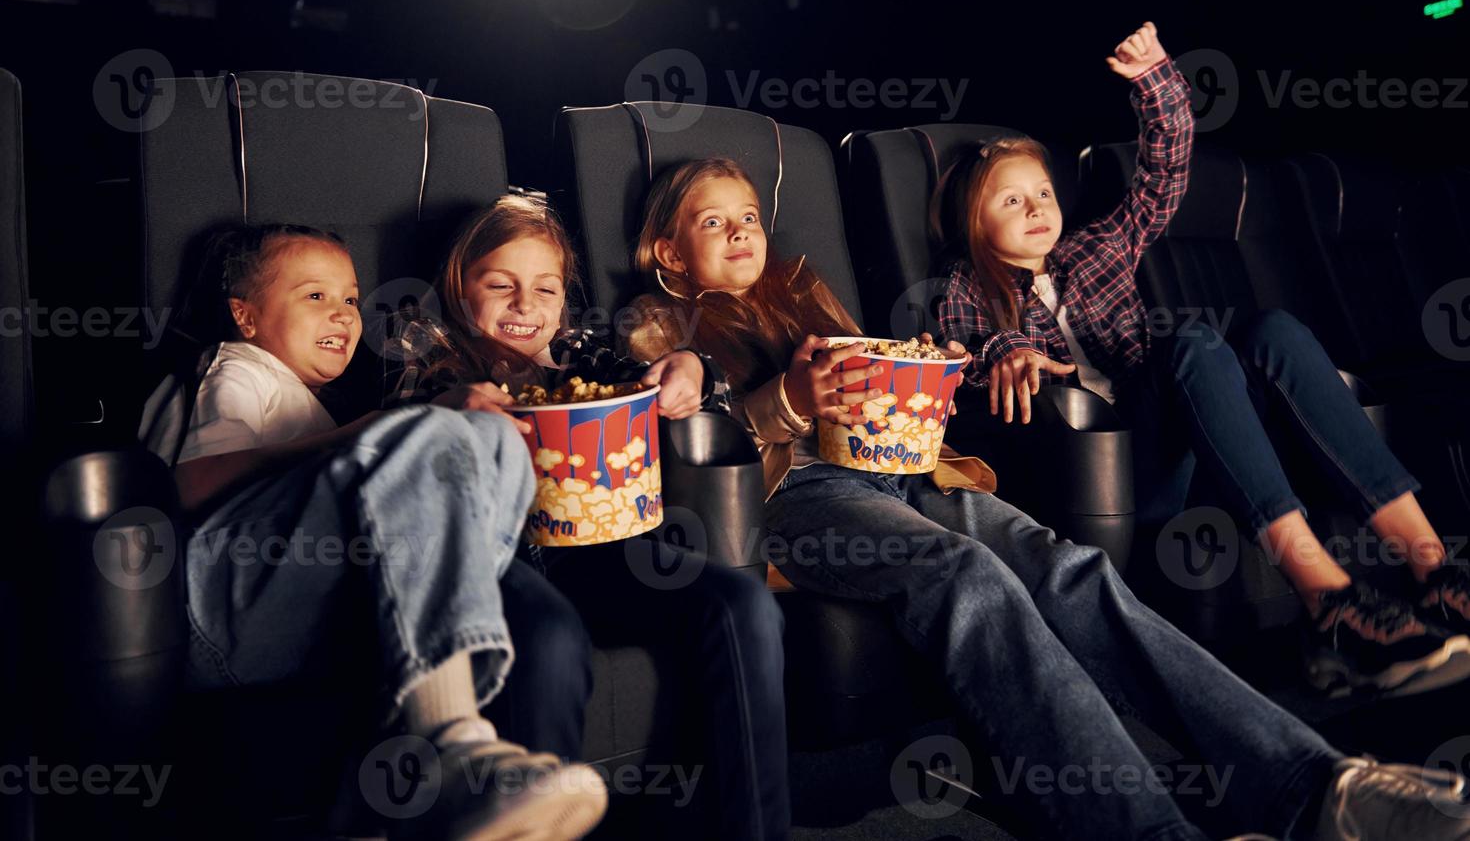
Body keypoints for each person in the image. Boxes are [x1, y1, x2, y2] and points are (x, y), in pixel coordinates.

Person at [622, 153, 1470, 841]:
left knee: (1072, 569)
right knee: (967, 576)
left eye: (748, 217)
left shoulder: (802, 294)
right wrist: (779, 401)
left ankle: (1316, 786)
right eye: (712, 221)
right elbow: (690, 424)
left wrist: (919, 376)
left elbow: (875, 382)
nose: (741, 231)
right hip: (796, 496)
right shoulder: (660, 325)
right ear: (668, 253)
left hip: (908, 470)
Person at [936, 21, 1470, 698]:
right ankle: (1331, 605)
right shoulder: (962, 282)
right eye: (1011, 200)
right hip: (1117, 470)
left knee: (1274, 329)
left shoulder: (1098, 247)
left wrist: (1157, 78)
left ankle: (1435, 573)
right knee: (1191, 343)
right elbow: (965, 352)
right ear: (973, 221)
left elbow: (1165, 170)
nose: (1037, 207)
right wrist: (1007, 348)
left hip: (1199, 442)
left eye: (1042, 191)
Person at [139, 223, 607, 841]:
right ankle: (451, 751)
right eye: (314, 297)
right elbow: (184, 488)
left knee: (488, 432)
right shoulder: (235, 368)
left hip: (302, 611)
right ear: (245, 317)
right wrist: (382, 429)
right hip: (215, 610)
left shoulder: (310, 404)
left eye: (350, 300)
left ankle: (453, 749)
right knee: (429, 433)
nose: (341, 314)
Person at [389, 194, 790, 841]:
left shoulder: (576, 355)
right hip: (493, 563)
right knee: (550, 641)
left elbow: (663, 377)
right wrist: (450, 409)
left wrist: (690, 367)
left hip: (600, 553)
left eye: (545, 289)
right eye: (500, 286)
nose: (526, 307)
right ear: (459, 289)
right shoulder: (431, 358)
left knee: (742, 603)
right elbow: (391, 449)